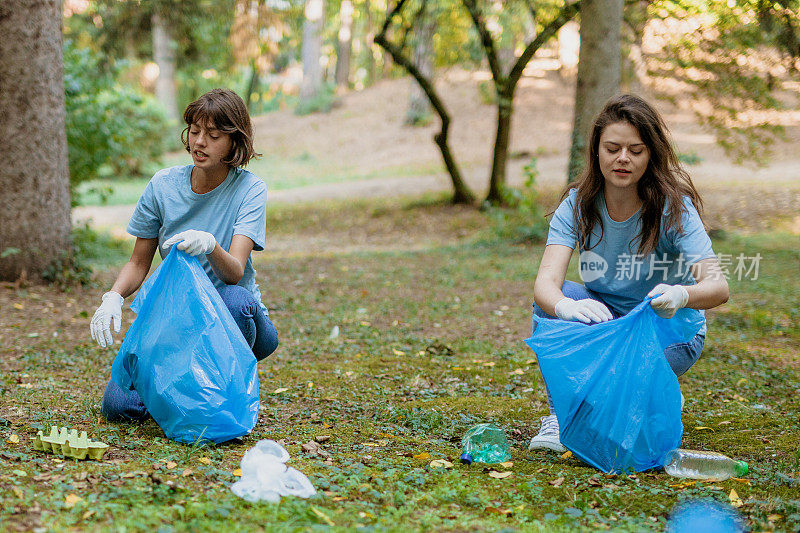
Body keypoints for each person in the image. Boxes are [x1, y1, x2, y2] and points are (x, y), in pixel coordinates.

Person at [528, 94, 729, 452]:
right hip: (605, 320)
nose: (623, 158)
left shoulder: (673, 207)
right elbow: (546, 284)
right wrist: (565, 308)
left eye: (636, 150)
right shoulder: (577, 205)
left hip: (665, 328)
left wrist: (681, 295)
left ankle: (658, 390)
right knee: (550, 306)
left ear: (650, 155)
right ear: (596, 152)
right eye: (613, 148)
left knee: (622, 407)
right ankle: (561, 418)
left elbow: (717, 286)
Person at [89, 88, 279, 421]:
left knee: (236, 301)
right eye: (195, 132)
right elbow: (138, 262)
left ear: (235, 142)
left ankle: (221, 386)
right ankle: (185, 392)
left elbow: (234, 272)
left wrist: (210, 244)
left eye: (213, 135)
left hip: (234, 316)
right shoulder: (163, 186)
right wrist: (113, 297)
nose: (200, 142)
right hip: (178, 317)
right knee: (117, 407)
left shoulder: (250, 189)